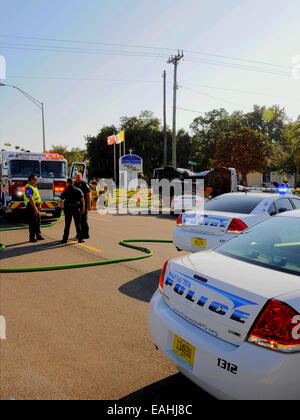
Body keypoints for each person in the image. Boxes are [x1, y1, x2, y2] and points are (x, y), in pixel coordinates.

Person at [60, 178, 85, 244]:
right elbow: (82, 200)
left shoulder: (66, 190)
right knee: (78, 224)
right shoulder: (78, 190)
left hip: (68, 209)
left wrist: (61, 208)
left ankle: (64, 239)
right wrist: (83, 208)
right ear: (73, 183)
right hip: (76, 209)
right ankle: (80, 239)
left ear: (67, 183)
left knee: (67, 225)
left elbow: (61, 199)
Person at [24, 174, 45, 243]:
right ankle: (32, 237)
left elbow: (37, 197)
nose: (36, 180)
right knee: (32, 222)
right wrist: (35, 208)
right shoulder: (28, 187)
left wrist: (39, 205)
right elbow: (30, 198)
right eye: (35, 179)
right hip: (31, 206)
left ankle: (38, 235)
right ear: (31, 180)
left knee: (38, 221)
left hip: (36, 206)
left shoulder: (34, 187)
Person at [74, 173, 91, 239]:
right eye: (77, 177)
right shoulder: (74, 184)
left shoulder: (84, 184)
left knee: (84, 220)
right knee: (78, 221)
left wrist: (89, 204)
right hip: (76, 205)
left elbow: (89, 194)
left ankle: (86, 234)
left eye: (79, 177)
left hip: (84, 204)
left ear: (81, 178)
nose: (77, 178)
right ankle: (79, 234)